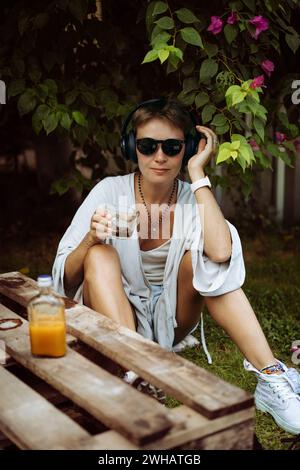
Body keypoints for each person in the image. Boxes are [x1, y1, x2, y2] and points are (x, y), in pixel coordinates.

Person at [52, 97, 300, 435]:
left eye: (172, 146)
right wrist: (91, 238)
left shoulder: (191, 196)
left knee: (204, 260)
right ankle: (135, 372)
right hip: (115, 316)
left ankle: (270, 378)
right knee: (99, 254)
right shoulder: (109, 191)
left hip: (172, 319)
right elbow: (64, 277)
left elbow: (222, 253)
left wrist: (198, 175)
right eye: (147, 145)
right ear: (130, 147)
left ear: (187, 149)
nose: (159, 156)